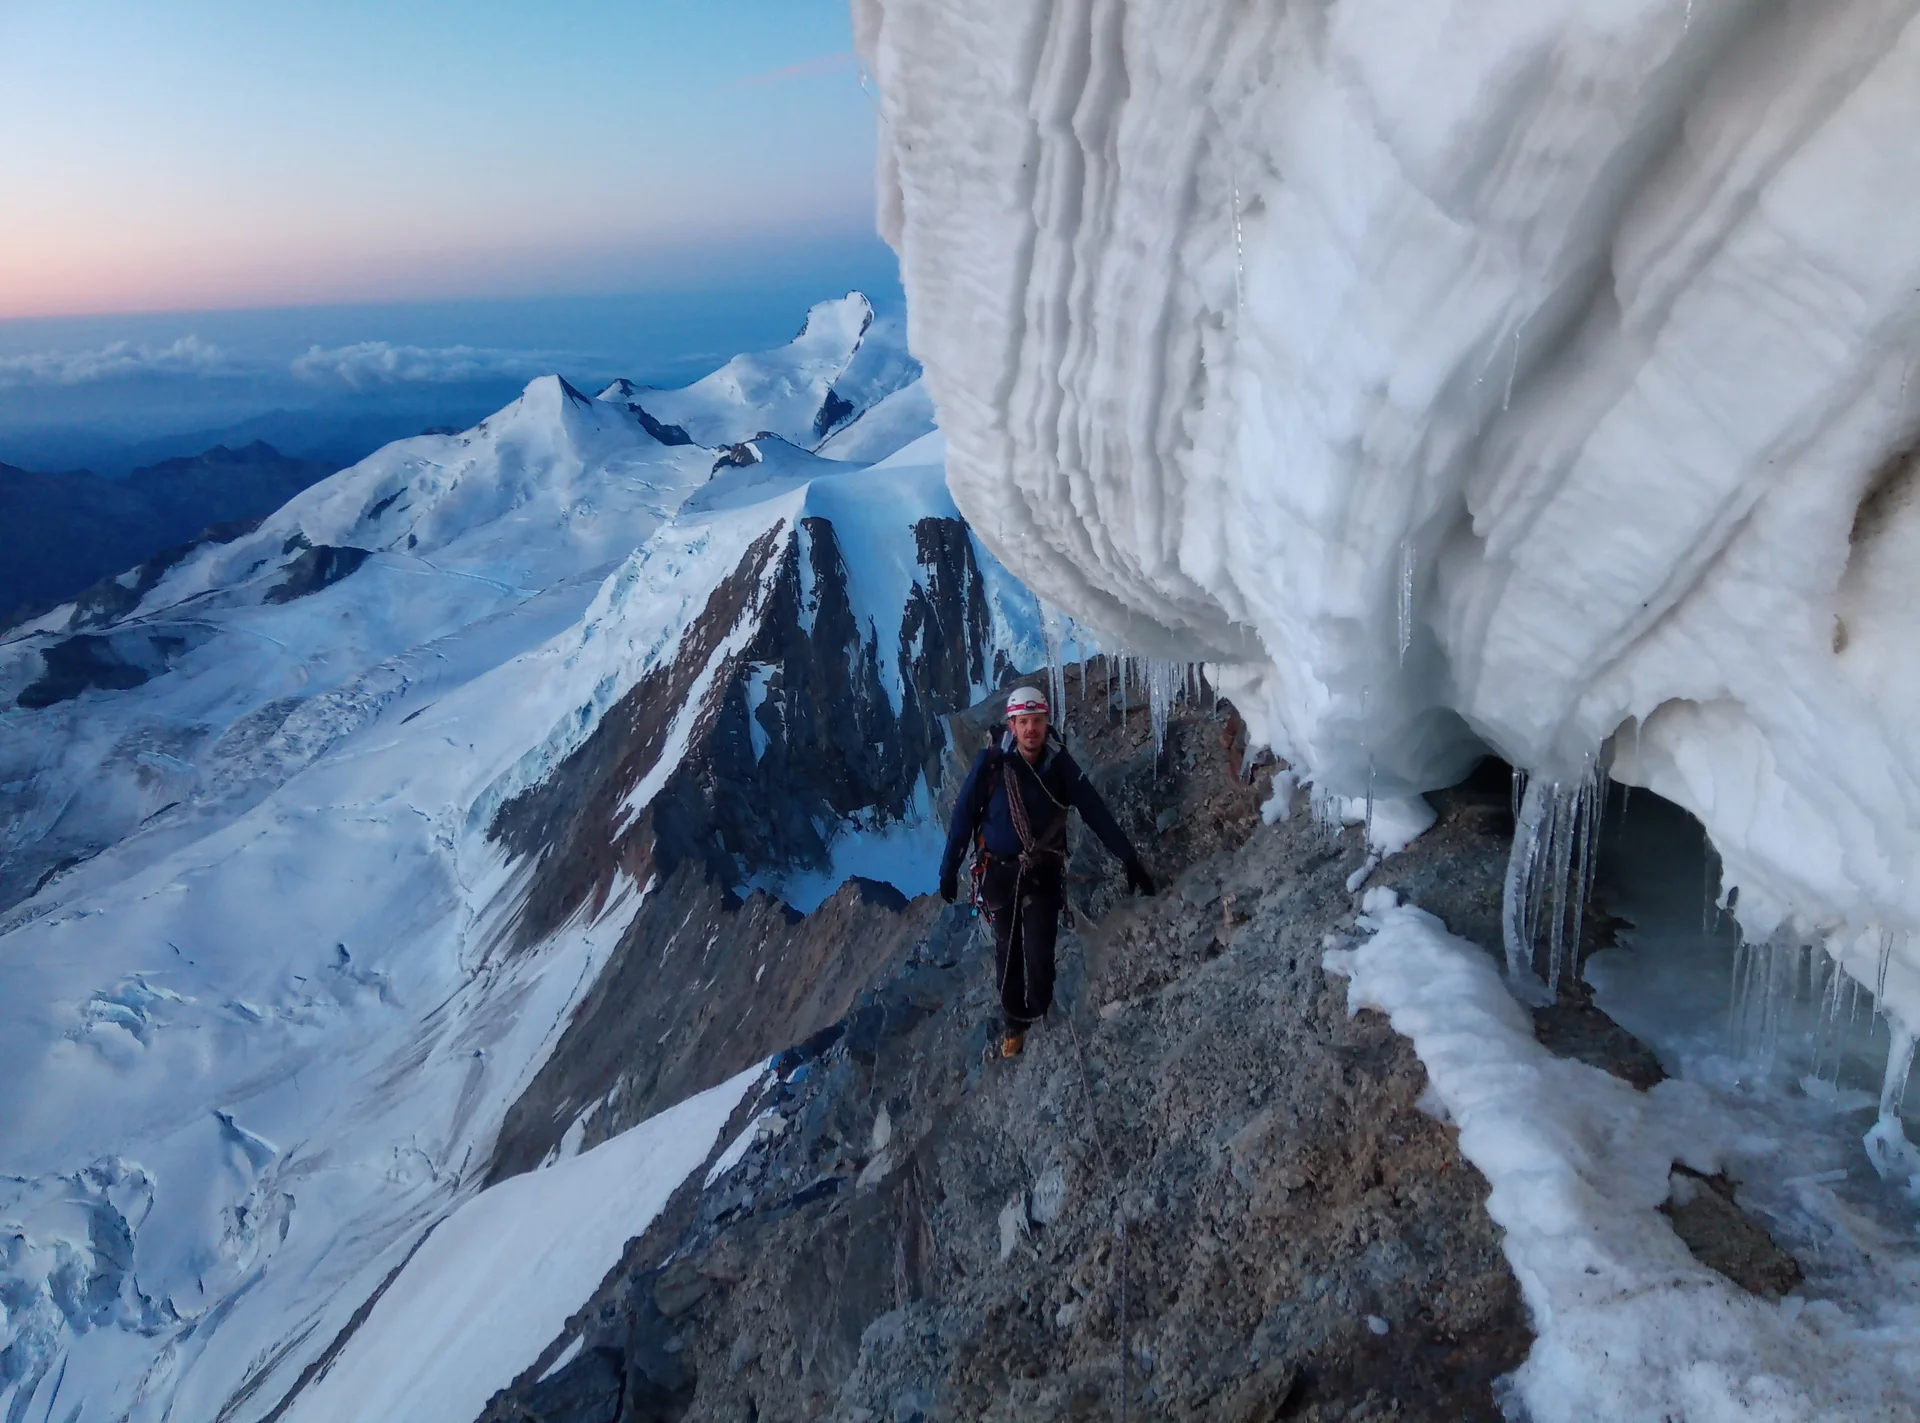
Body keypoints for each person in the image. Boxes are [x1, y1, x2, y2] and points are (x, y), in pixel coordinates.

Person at [939, 685, 1155, 1058]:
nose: (1031, 730)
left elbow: (1093, 809)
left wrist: (1128, 858)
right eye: (1024, 722)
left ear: (1045, 722)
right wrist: (948, 869)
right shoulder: (993, 762)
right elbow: (963, 816)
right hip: (999, 871)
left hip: (1041, 869)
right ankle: (1015, 1022)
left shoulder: (1059, 765)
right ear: (1012, 724)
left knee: (1040, 946)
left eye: (1036, 721)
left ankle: (1039, 1006)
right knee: (1008, 949)